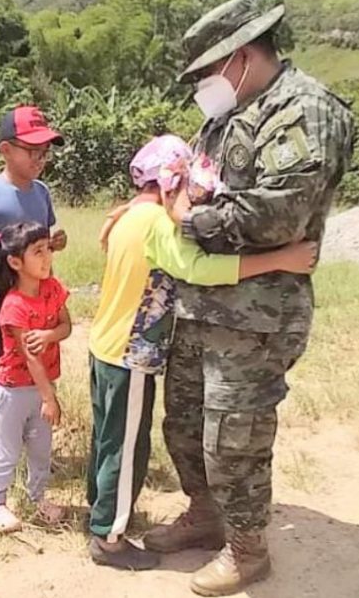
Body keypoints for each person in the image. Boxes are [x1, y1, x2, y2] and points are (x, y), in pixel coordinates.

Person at [141, 0, 354, 596]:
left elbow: (278, 214)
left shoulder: (306, 110)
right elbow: (184, 179)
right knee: (183, 426)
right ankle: (205, 515)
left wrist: (188, 217)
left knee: (233, 439)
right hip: (198, 304)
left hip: (256, 316)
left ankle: (247, 548)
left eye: (206, 73)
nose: (204, 87)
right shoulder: (225, 115)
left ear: (237, 58)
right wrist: (181, 202)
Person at [87, 135, 318, 571]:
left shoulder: (131, 217)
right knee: (127, 448)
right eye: (189, 191)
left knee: (107, 439)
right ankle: (109, 538)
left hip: (104, 347)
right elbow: (197, 268)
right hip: (130, 356)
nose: (195, 203)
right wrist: (279, 259)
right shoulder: (156, 222)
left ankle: (98, 514)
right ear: (170, 185)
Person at [0, 106, 67, 472]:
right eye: (31, 150)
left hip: (40, 298)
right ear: (5, 150)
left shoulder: (41, 192)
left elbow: (41, 241)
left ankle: (31, 445)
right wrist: (2, 284)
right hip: (3, 299)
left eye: (44, 152)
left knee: (39, 365)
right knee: (11, 369)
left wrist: (54, 244)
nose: (40, 159)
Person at [0, 220, 71, 532]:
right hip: (14, 389)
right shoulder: (13, 306)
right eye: (38, 252)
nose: (47, 258)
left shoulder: (53, 289)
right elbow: (29, 356)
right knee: (8, 450)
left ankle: (38, 497)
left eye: (48, 249)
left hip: (42, 386)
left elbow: (66, 327)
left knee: (41, 446)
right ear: (16, 262)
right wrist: (49, 398)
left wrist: (48, 335)